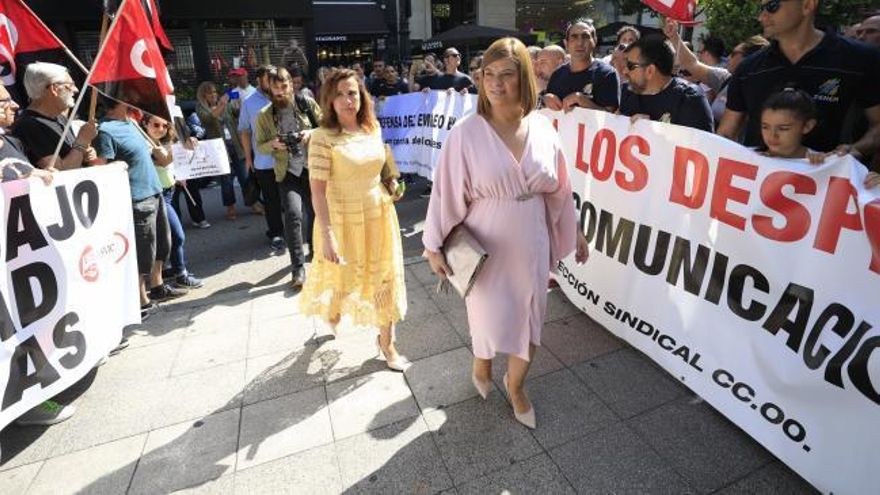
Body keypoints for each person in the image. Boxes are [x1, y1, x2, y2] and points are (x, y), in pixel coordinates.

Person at [422, 38, 589, 429]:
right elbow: (446, 193)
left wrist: (575, 232)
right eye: (489, 75)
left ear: (524, 78)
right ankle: (482, 363)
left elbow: (561, 188)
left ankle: (516, 387)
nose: (495, 84)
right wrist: (432, 245)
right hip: (486, 245)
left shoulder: (543, 127)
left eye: (506, 75)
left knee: (531, 316)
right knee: (488, 319)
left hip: (532, 240)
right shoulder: (466, 133)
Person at [300, 68, 409, 371]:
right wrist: (328, 234)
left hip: (379, 215)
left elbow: (384, 164)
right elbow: (317, 194)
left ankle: (387, 344)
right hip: (341, 220)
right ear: (329, 101)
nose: (348, 100)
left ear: (362, 95)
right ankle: (333, 310)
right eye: (339, 95)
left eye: (352, 93)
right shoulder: (322, 138)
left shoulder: (372, 127)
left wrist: (392, 184)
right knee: (343, 281)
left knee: (385, 279)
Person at [0, 84, 77, 428]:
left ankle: (32, 396)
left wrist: (36, 176)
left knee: (25, 321)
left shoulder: (9, 141)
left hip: (21, 256)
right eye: (4, 100)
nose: (14, 104)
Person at [717, 0, 880, 160]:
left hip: (828, 181)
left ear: (807, 5)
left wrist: (855, 150)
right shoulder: (748, 69)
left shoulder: (861, 59)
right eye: (761, 7)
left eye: (772, 6)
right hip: (759, 182)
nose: (761, 16)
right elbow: (725, 134)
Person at [94, 98, 188, 311]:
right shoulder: (105, 130)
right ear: (117, 101)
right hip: (136, 199)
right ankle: (141, 300)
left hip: (155, 192)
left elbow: (162, 160)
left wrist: (183, 145)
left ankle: (158, 286)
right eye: (128, 98)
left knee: (163, 245)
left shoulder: (132, 124)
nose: (135, 102)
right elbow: (101, 168)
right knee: (143, 253)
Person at [255, 68, 322, 288]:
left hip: (312, 168)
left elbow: (326, 129)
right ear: (270, 88)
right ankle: (298, 269)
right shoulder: (265, 115)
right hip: (287, 172)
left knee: (315, 213)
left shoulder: (307, 104)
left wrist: (310, 134)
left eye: (284, 86)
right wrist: (273, 144)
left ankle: (314, 247)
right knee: (293, 216)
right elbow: (261, 146)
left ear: (291, 85)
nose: (281, 91)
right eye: (276, 87)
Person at [759, 87, 880, 190]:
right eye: (765, 127)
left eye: (783, 128)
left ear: (807, 126)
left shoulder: (824, 164)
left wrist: (871, 186)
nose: (772, 135)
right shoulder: (748, 159)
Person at [665, 19, 770, 128]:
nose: (728, 57)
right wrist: (673, 37)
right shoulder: (725, 79)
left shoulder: (761, 94)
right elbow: (692, 64)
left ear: (750, 59)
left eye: (734, 54)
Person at [143, 114, 203, 289]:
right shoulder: (146, 144)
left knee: (167, 236)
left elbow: (167, 165)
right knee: (177, 235)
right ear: (145, 123)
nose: (160, 129)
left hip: (169, 192)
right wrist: (182, 145)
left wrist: (176, 176)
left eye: (164, 125)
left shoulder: (158, 142)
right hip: (158, 195)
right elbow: (163, 161)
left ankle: (170, 269)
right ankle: (180, 274)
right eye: (155, 124)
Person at [620, 34, 714, 132]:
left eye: (630, 66)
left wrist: (652, 131)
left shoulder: (688, 99)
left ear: (650, 71)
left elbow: (700, 144)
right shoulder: (627, 92)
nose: (624, 71)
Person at [12, 62, 98, 170]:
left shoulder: (59, 118)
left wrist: (84, 153)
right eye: (70, 85)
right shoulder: (29, 126)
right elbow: (59, 171)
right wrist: (82, 141)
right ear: (54, 89)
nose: (76, 89)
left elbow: (72, 157)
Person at [196, 81, 260, 222]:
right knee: (226, 180)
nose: (214, 95)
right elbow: (211, 118)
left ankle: (253, 203)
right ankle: (230, 207)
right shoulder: (202, 108)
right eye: (210, 93)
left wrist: (238, 104)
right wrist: (223, 104)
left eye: (215, 92)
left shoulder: (224, 103)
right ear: (203, 95)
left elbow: (237, 114)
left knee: (245, 177)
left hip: (235, 145)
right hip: (220, 149)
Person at [240, 65, 287, 249]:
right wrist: (248, 158)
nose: (274, 81)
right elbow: (244, 131)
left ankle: (297, 232)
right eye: (270, 78)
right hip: (264, 161)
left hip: (288, 159)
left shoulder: (284, 97)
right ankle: (276, 233)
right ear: (259, 80)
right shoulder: (249, 102)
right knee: (272, 200)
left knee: (291, 199)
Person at [543, 21, 620, 113]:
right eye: (574, 37)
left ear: (594, 41)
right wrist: (545, 100)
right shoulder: (557, 74)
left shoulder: (606, 74)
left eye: (585, 37)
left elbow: (610, 119)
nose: (579, 42)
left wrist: (582, 100)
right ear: (566, 44)